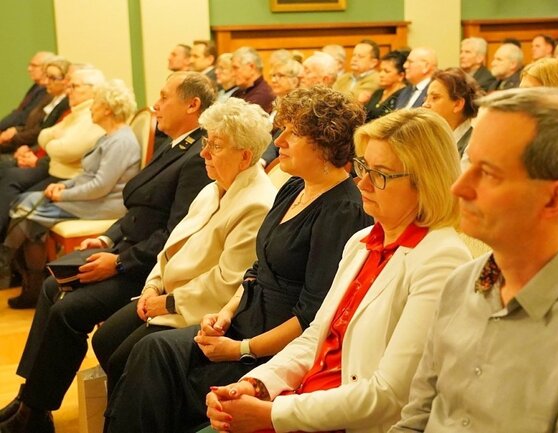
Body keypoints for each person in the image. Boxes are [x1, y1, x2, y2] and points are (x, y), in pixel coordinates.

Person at [102, 86, 373, 433]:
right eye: (282, 129)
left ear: (325, 143)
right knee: (152, 351)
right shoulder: (294, 186)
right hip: (244, 320)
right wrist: (225, 314)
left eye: (293, 133)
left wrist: (239, 348)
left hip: (272, 344)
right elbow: (257, 268)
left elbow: (313, 315)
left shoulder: (343, 209)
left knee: (158, 365)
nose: (280, 140)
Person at [388, 87, 558, 433]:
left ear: (554, 199)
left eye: (488, 173)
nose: (459, 188)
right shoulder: (460, 283)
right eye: (470, 164)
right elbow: (415, 421)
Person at [205, 108, 472, 433]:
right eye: (363, 167)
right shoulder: (362, 242)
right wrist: (257, 384)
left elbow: (390, 394)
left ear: (426, 182)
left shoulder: (441, 259)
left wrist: (273, 414)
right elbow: (316, 337)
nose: (363, 183)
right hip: (308, 399)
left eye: (381, 174)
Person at [0, 71, 214, 433]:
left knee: (68, 310)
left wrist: (118, 263)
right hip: (125, 248)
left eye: (164, 97)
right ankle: (30, 400)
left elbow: (176, 234)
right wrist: (105, 239)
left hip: (147, 268)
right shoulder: (175, 144)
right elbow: (139, 209)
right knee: (52, 285)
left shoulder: (197, 155)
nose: (155, 105)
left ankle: (34, 410)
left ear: (192, 105)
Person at [92, 97, 278, 397]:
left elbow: (227, 282)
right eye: (206, 142)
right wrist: (152, 286)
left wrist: (168, 302)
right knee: (105, 339)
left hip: (199, 310)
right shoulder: (212, 188)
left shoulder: (257, 204)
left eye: (216, 146)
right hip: (167, 294)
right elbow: (172, 247)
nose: (204, 152)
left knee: (123, 358)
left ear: (244, 157)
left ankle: (127, 411)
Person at [3, 79, 141, 309]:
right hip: (91, 198)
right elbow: (86, 175)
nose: (91, 108)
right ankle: (27, 279)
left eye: (96, 103)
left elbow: (100, 186)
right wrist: (64, 186)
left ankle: (15, 269)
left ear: (108, 108)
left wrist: (63, 196)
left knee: (25, 209)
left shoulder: (121, 141)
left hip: (104, 204)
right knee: (26, 208)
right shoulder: (108, 136)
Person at [0, 68, 105, 246]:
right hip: (55, 170)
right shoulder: (75, 112)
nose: (68, 90)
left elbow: (66, 149)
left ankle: (7, 254)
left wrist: (53, 143)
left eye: (74, 86)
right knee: (13, 185)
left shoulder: (92, 115)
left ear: (93, 89)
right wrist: (54, 142)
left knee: (22, 200)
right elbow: (45, 134)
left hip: (69, 179)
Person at [0, 58, 70, 161]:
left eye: (52, 78)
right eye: (46, 76)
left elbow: (45, 132)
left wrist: (29, 149)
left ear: (66, 80)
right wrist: (17, 131)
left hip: (37, 152)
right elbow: (33, 123)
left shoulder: (66, 104)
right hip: (26, 145)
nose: (46, 82)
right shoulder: (49, 97)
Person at [422, 67, 483, 156]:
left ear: (458, 104)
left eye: (435, 98)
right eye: (426, 98)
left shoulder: (472, 146)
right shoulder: (429, 139)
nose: (425, 104)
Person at [0, 52, 54, 133]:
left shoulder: (47, 90)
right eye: (29, 65)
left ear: (46, 68)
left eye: (34, 66)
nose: (29, 69)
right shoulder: (36, 86)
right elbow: (20, 111)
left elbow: (27, 115)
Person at [365, 50, 408, 122]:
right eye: (380, 70)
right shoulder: (378, 92)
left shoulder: (404, 95)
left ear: (401, 75)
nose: (381, 75)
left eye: (386, 71)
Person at [333, 40, 380, 104]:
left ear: (373, 62)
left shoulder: (377, 79)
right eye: (354, 55)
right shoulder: (343, 77)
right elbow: (331, 96)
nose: (354, 59)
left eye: (360, 56)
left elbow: (354, 99)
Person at [231, 46, 275, 113]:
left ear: (251, 67)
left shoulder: (263, 95)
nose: (233, 74)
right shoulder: (238, 92)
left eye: (236, 68)